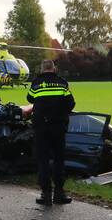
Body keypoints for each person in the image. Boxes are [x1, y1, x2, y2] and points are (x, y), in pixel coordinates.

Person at [26, 60, 75, 206]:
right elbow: (71, 103)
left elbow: (29, 98)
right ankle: (59, 193)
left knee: (43, 160)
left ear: (42, 69)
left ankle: (45, 194)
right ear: (54, 68)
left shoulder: (36, 84)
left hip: (41, 127)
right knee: (59, 159)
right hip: (58, 127)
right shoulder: (62, 83)